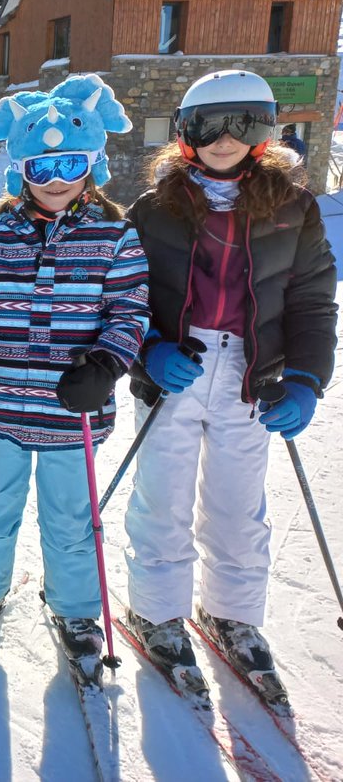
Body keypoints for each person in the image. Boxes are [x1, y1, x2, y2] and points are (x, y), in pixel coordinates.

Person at [123, 71, 336, 691]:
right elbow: (124, 297)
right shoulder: (154, 208)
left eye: (244, 124)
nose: (226, 139)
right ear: (186, 134)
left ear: (266, 132)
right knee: (162, 496)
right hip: (175, 370)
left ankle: (232, 612)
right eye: (210, 125)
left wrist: (304, 377)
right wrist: (148, 350)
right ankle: (157, 609)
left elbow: (313, 300)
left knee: (238, 503)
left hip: (252, 374)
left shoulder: (293, 208)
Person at [0, 74, 149, 660]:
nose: (56, 181)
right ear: (21, 171)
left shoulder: (114, 235)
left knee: (70, 516)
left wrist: (108, 365)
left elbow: (129, 308)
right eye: (41, 169)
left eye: (70, 166)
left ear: (93, 166)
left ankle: (77, 608)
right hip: (3, 401)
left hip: (71, 409)